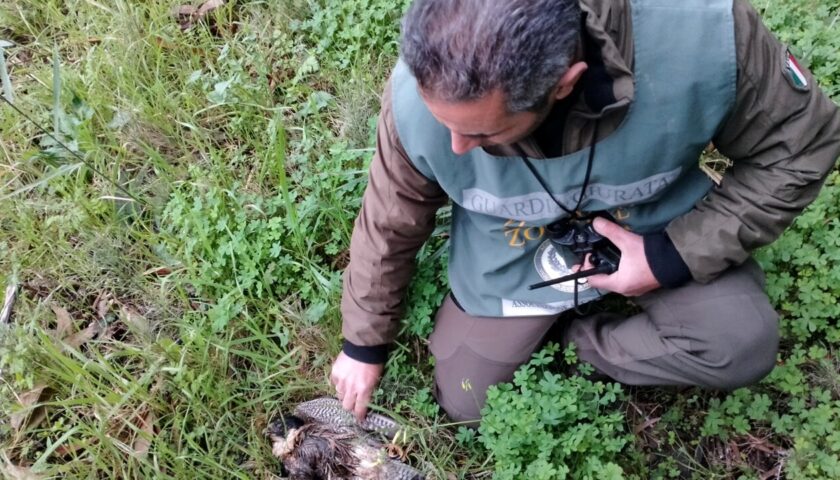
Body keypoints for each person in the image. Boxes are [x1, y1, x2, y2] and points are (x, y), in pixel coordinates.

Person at [329, 0, 840, 425]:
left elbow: (799, 146)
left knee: (738, 344)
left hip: (655, 218)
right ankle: (541, 339)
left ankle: (577, 344)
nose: (456, 147)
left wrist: (670, 256)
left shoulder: (705, 36)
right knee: (468, 399)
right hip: (510, 240)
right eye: (445, 123)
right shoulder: (423, 92)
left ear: (565, 83)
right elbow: (390, 217)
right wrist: (362, 344)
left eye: (483, 134)